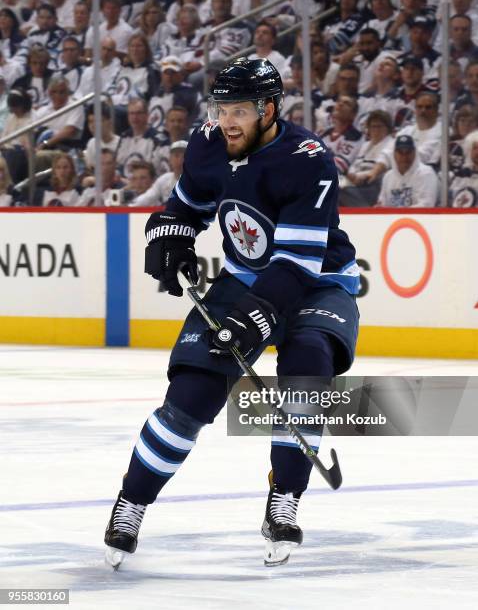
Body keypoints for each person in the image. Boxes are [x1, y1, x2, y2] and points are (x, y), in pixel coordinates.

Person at [104, 57, 360, 568]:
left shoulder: (307, 158)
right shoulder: (207, 142)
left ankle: (283, 500)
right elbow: (186, 206)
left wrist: (252, 318)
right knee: (189, 401)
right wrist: (170, 237)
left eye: (239, 109)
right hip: (243, 279)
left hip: (317, 283)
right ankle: (131, 502)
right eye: (221, 108)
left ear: (268, 109)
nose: (228, 121)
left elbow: (295, 263)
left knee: (306, 372)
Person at [376, 134, 438, 207]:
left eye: (408, 152)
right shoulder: (388, 176)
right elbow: (382, 203)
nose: (404, 156)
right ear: (394, 154)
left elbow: (426, 206)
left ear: (415, 153)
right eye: (400, 152)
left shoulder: (426, 174)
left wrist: (396, 212)